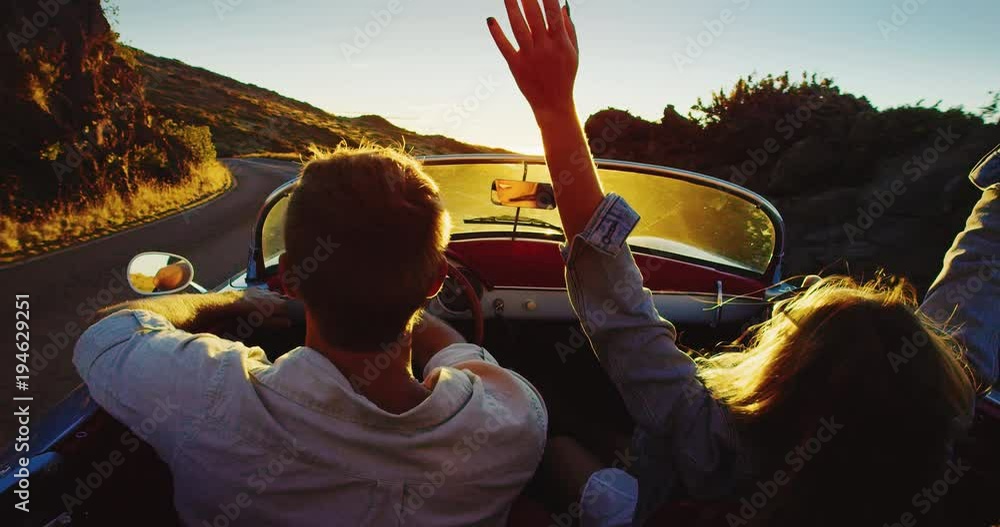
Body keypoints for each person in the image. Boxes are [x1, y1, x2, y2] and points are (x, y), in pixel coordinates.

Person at [487, 1, 996, 525]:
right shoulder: (953, 420)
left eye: (792, 319)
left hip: (643, 502)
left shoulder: (716, 440)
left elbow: (614, 298)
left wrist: (554, 108)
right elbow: (983, 275)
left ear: (778, 378)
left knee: (555, 435)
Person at [73, 145, 548, 526]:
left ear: (294, 279)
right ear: (436, 280)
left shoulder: (208, 396)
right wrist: (395, 290)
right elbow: (458, 353)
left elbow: (109, 327)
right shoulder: (512, 423)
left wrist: (239, 302)